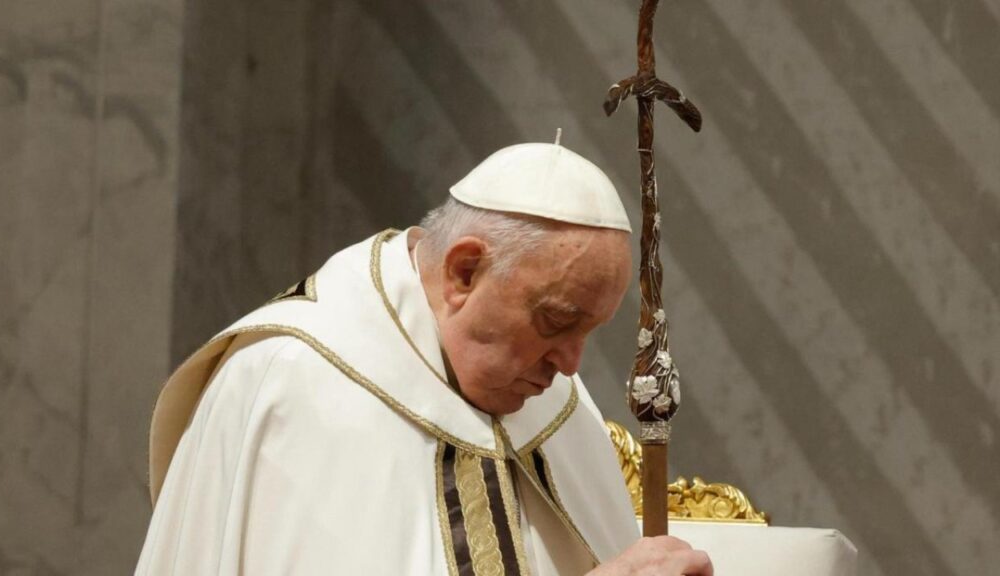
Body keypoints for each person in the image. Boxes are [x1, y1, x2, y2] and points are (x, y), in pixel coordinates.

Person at [136, 141, 712, 575]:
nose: (570, 365)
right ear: (464, 271)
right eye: (557, 322)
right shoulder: (293, 385)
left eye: (590, 331)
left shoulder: (555, 406)